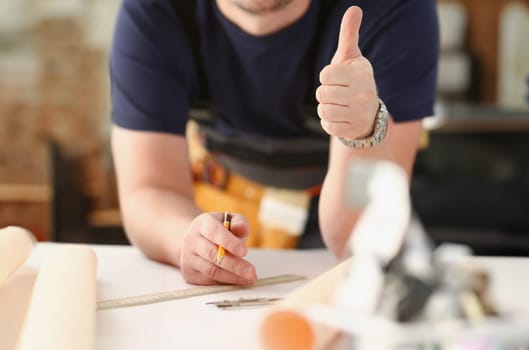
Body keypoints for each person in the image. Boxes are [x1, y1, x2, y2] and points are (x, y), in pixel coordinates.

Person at [109, 0, 439, 285]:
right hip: (227, 195)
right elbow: (149, 190)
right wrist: (186, 239)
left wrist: (363, 129)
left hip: (337, 199)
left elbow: (356, 237)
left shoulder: (394, 9)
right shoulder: (155, 12)